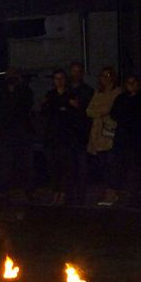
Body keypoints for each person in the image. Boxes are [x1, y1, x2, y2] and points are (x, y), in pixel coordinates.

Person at [41, 69, 82, 206]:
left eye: (61, 78)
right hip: (52, 137)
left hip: (66, 138)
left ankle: (64, 193)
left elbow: (74, 113)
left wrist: (65, 109)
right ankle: (55, 192)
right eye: (56, 78)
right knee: (53, 167)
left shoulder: (71, 94)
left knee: (66, 167)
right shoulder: (50, 94)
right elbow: (46, 111)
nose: (59, 81)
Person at [0, 68, 34, 204]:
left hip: (23, 131)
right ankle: (3, 191)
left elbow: (26, 107)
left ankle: (29, 191)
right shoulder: (1, 92)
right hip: (7, 133)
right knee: (6, 163)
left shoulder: (24, 90)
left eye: (14, 75)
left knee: (26, 164)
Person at [110, 75, 141, 206]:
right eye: (129, 82)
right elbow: (114, 113)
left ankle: (135, 195)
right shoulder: (121, 98)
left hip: (136, 138)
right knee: (122, 166)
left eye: (134, 82)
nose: (131, 85)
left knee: (135, 167)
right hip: (122, 138)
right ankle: (123, 192)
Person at [86, 66, 122, 206]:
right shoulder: (98, 92)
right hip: (97, 132)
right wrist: (99, 112)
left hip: (109, 132)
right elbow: (89, 110)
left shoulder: (116, 92)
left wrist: (99, 111)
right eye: (103, 76)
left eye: (108, 75)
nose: (106, 78)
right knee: (102, 164)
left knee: (111, 164)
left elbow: (108, 109)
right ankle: (106, 191)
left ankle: (112, 193)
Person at [67, 62, 94, 204]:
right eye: (73, 71)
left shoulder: (88, 91)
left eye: (78, 71)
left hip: (81, 134)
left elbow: (90, 112)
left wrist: (79, 108)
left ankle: (82, 195)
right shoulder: (66, 90)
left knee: (82, 165)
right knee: (69, 166)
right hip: (67, 134)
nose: (75, 74)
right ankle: (70, 195)